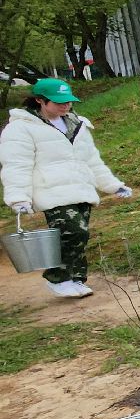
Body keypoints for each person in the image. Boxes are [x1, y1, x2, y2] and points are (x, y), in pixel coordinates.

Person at [1, 78, 132, 299]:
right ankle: (58, 278)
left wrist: (113, 185)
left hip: (81, 188)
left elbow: (92, 160)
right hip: (51, 191)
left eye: (68, 101)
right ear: (39, 101)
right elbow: (16, 164)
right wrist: (18, 197)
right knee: (73, 232)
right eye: (58, 102)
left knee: (80, 235)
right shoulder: (21, 128)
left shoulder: (77, 124)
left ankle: (76, 278)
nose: (65, 106)